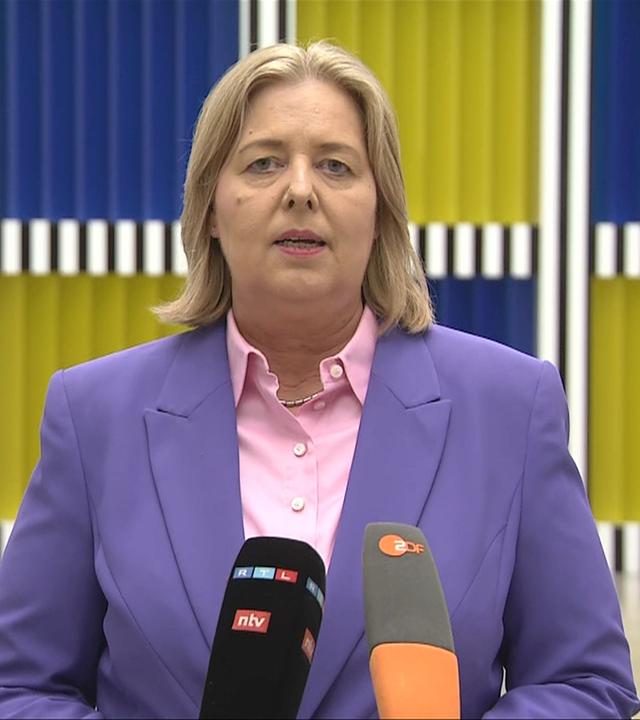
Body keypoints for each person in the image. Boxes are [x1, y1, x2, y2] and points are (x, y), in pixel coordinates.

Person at [0, 40, 637, 719]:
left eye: (336, 166)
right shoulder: (94, 417)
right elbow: (19, 688)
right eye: (264, 163)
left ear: (381, 210)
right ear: (210, 209)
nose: (300, 190)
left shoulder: (509, 408)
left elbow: (585, 682)